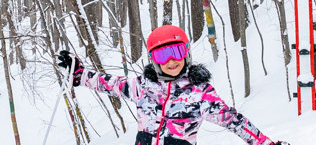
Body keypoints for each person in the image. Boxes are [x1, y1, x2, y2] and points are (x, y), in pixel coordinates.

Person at [56, 24, 287, 145]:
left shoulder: (199, 93)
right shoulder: (142, 86)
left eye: (177, 52)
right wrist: (79, 74)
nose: (171, 61)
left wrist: (265, 143)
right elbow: (109, 83)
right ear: (153, 59)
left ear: (186, 53)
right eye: (162, 55)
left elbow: (234, 121)